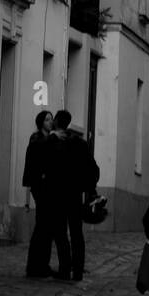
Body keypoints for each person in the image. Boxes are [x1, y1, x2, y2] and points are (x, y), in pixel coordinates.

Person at [44, 110, 100, 282]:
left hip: (57, 194)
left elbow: (44, 165)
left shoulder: (52, 142)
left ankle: (64, 269)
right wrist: (88, 188)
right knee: (76, 233)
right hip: (74, 194)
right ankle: (77, 272)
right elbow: (93, 169)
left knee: (60, 233)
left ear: (57, 122)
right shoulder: (80, 144)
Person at [23, 110, 55, 278]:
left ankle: (42, 264)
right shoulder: (37, 139)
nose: (50, 122)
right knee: (42, 225)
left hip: (48, 187)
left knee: (46, 226)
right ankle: (35, 265)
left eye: (51, 119)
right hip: (40, 186)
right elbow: (35, 161)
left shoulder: (49, 139)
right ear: (41, 122)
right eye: (47, 119)